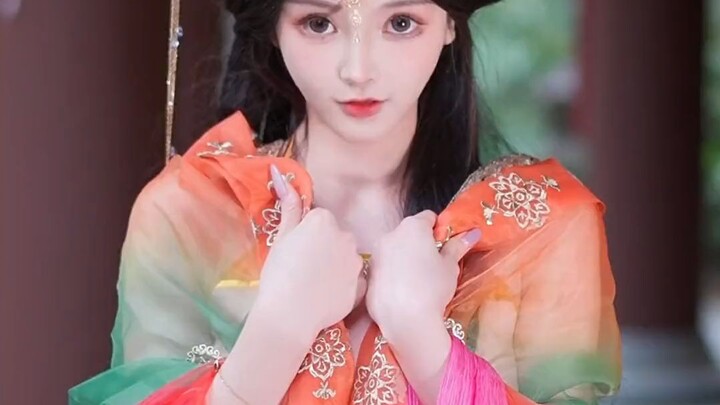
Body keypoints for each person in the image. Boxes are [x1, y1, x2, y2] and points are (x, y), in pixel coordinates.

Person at [69, 0, 622, 403]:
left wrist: (424, 343)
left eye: (400, 22)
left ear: (450, 23)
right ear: (274, 26)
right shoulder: (191, 214)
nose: (358, 70)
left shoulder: (538, 226)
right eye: (319, 23)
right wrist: (279, 329)